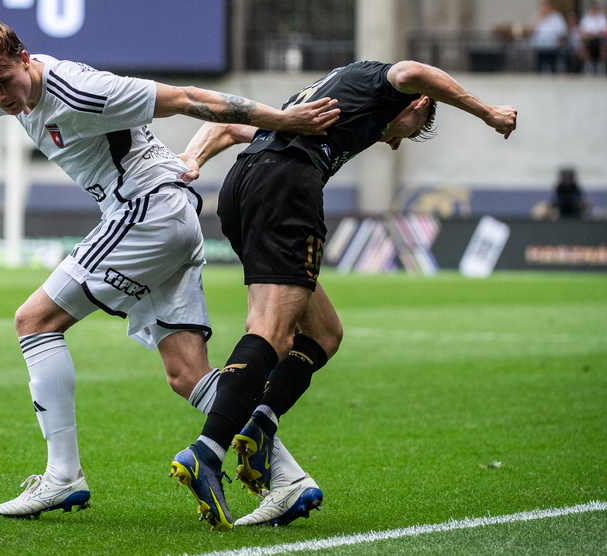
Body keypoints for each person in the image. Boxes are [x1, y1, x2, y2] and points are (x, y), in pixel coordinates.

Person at [0, 20, 339, 526]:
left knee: (34, 321)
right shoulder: (7, 92)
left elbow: (189, 97)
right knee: (187, 374)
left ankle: (63, 476)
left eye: (4, 82)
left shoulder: (82, 91)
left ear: (25, 58)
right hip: (164, 216)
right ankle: (288, 478)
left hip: (148, 212)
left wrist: (282, 120)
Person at [175, 60, 517, 529]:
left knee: (324, 333)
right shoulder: (384, 84)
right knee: (272, 333)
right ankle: (207, 452)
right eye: (410, 131)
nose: (395, 141)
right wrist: (487, 112)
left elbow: (236, 126)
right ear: (418, 104)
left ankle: (260, 425)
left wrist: (193, 156)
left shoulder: (331, 94)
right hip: (285, 184)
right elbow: (414, 71)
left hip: (245, 185)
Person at [529, 0, 568, 73]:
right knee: (539, 69)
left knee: (553, 69)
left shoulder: (557, 17)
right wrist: (539, 19)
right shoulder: (536, 17)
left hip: (553, 48)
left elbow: (563, 32)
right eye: (542, 6)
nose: (544, 8)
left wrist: (560, 42)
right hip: (539, 48)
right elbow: (530, 31)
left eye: (546, 6)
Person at [580, 2, 607, 74]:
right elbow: (584, 33)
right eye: (593, 9)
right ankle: (588, 66)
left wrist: (594, 34)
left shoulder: (602, 18)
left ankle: (601, 66)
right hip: (589, 40)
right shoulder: (586, 19)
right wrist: (594, 34)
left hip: (600, 40)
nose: (594, 11)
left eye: (595, 9)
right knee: (584, 43)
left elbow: (605, 32)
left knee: (603, 43)